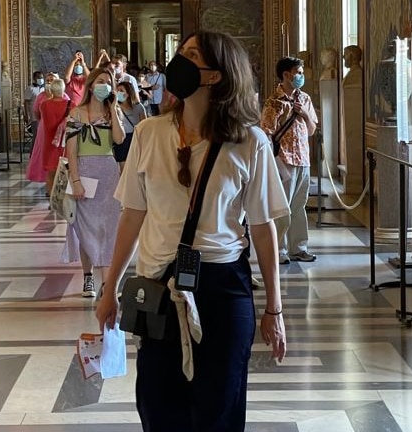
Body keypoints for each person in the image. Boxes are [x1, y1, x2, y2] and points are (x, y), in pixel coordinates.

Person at [95, 31, 288, 431]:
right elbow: (132, 215)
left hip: (222, 286)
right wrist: (110, 286)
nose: (179, 61)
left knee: (219, 405)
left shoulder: (249, 142)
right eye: (180, 52)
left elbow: (263, 228)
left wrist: (275, 307)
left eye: (191, 55)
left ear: (215, 75)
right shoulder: (148, 133)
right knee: (158, 404)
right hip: (158, 284)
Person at [63, 67, 125, 298]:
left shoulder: (111, 114)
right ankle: (88, 276)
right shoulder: (77, 113)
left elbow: (119, 139)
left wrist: (114, 108)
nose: (105, 86)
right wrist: (76, 180)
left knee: (109, 229)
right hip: (85, 173)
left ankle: (108, 284)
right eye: (100, 81)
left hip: (108, 174)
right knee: (86, 228)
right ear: (90, 85)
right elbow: (71, 151)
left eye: (108, 82)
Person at [260, 56, 318, 263]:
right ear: (286, 75)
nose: (301, 76)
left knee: (299, 206)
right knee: (282, 207)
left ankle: (299, 247)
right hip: (283, 160)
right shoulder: (274, 102)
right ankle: (280, 250)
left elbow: (311, 130)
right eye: (299, 72)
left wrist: (304, 114)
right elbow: (266, 132)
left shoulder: (305, 99)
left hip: (303, 159)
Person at [27, 72, 70, 186]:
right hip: (45, 127)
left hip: (60, 131)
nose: (50, 82)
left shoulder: (64, 98)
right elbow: (36, 111)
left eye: (53, 80)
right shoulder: (42, 97)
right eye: (48, 80)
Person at [38, 78, 71, 194]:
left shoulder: (44, 105)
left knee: (51, 173)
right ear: (63, 89)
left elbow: (38, 115)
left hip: (50, 143)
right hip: (65, 143)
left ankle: (52, 199)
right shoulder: (71, 105)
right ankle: (64, 199)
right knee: (66, 172)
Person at [113, 81, 146, 171]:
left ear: (128, 93)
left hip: (135, 138)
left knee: (136, 165)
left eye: (121, 90)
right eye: (117, 90)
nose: (118, 92)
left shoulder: (139, 107)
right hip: (122, 139)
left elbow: (144, 125)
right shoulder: (115, 107)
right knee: (124, 168)